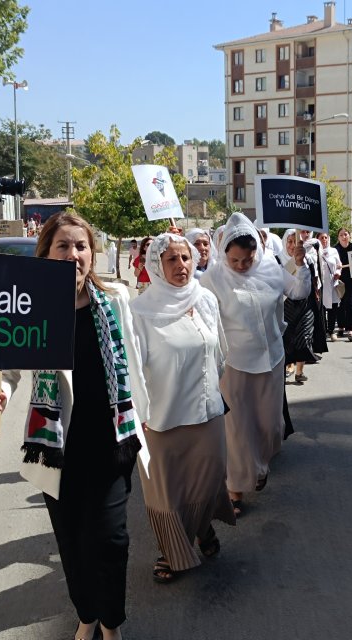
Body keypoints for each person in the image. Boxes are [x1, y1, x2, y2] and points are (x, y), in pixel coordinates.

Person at [0, 213, 148, 640]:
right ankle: (87, 614)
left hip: (112, 441)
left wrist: (147, 424)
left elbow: (136, 364)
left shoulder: (116, 300)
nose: (73, 254)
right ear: (46, 253)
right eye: (63, 246)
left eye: (81, 246)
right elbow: (9, 370)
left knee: (111, 541)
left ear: (92, 254)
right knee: (73, 543)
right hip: (56, 446)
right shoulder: (30, 306)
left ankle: (110, 623)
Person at [130, 233, 236, 584]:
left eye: (186, 258)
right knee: (167, 492)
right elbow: (133, 366)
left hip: (207, 412)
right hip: (162, 419)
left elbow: (219, 351)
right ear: (156, 266)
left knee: (209, 478)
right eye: (172, 259)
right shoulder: (142, 311)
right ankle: (172, 549)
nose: (182, 266)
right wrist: (139, 412)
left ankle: (202, 527)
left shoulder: (204, 298)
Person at [203, 213, 308, 516]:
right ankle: (234, 488)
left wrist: (299, 264)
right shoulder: (213, 279)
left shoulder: (273, 269)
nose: (240, 266)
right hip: (234, 364)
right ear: (224, 253)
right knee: (237, 428)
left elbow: (298, 291)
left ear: (257, 253)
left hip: (272, 360)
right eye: (234, 260)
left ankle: (258, 466)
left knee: (270, 426)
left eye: (246, 260)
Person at [281, 230, 320, 384]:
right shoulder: (278, 260)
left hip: (305, 304)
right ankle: (286, 367)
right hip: (286, 305)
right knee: (288, 338)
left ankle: (299, 371)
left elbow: (314, 277)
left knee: (304, 337)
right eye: (289, 242)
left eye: (294, 242)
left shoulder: (308, 259)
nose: (292, 245)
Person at [332, 229, 352, 342]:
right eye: (341, 235)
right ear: (338, 237)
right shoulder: (335, 250)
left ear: (349, 236)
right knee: (341, 304)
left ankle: (350, 330)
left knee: (351, 304)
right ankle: (341, 327)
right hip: (340, 281)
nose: (344, 237)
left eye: (345, 234)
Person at [316, 231, 343, 342]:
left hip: (332, 283)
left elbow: (339, 265)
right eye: (321, 238)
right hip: (320, 284)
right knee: (321, 308)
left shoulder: (333, 251)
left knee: (333, 308)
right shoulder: (314, 251)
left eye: (326, 237)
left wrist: (338, 272)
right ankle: (323, 331)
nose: (324, 240)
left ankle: (331, 331)